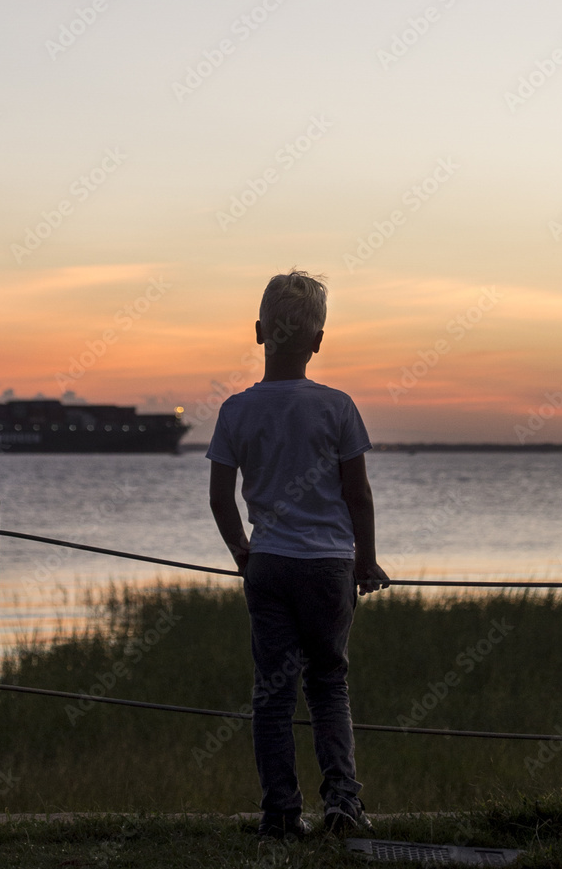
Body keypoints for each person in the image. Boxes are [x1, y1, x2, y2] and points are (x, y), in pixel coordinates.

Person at [206, 268, 390, 840]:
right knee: (329, 685)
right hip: (330, 567)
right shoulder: (338, 407)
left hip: (269, 564)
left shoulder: (236, 410)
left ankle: (280, 814)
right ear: (318, 340)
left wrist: (242, 553)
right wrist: (366, 559)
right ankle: (342, 803)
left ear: (259, 332)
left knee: (272, 696)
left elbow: (220, 498)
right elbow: (358, 495)